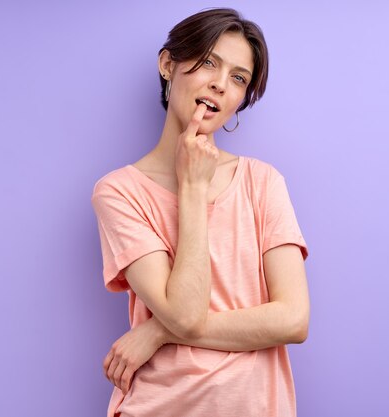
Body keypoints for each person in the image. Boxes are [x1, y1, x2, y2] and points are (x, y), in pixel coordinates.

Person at [91, 7, 310, 417]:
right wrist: (192, 188)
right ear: (167, 64)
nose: (220, 84)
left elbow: (293, 320)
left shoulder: (263, 182)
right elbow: (186, 316)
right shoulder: (119, 193)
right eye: (209, 61)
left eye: (238, 78)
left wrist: (156, 332)